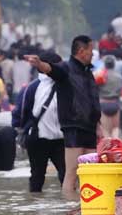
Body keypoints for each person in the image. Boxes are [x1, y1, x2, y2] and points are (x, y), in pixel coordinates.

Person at [24, 35, 101, 197]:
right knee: (72, 172)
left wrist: (99, 125)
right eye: (90, 50)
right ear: (81, 51)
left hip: (90, 127)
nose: (92, 54)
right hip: (73, 127)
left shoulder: (88, 73)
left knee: (91, 171)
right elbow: (52, 69)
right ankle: (68, 206)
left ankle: (88, 207)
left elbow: (93, 101)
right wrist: (39, 64)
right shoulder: (66, 69)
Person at [10, 52, 66, 191]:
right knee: (37, 175)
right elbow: (20, 113)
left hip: (62, 139)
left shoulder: (66, 85)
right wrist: (20, 130)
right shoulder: (32, 87)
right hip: (37, 138)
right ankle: (35, 202)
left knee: (66, 175)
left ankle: (68, 203)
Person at [98, 55, 122, 139]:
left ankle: (109, 150)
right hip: (115, 103)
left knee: (106, 130)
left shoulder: (101, 76)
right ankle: (116, 146)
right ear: (114, 65)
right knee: (115, 128)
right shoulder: (119, 77)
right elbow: (120, 90)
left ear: (105, 65)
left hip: (103, 103)